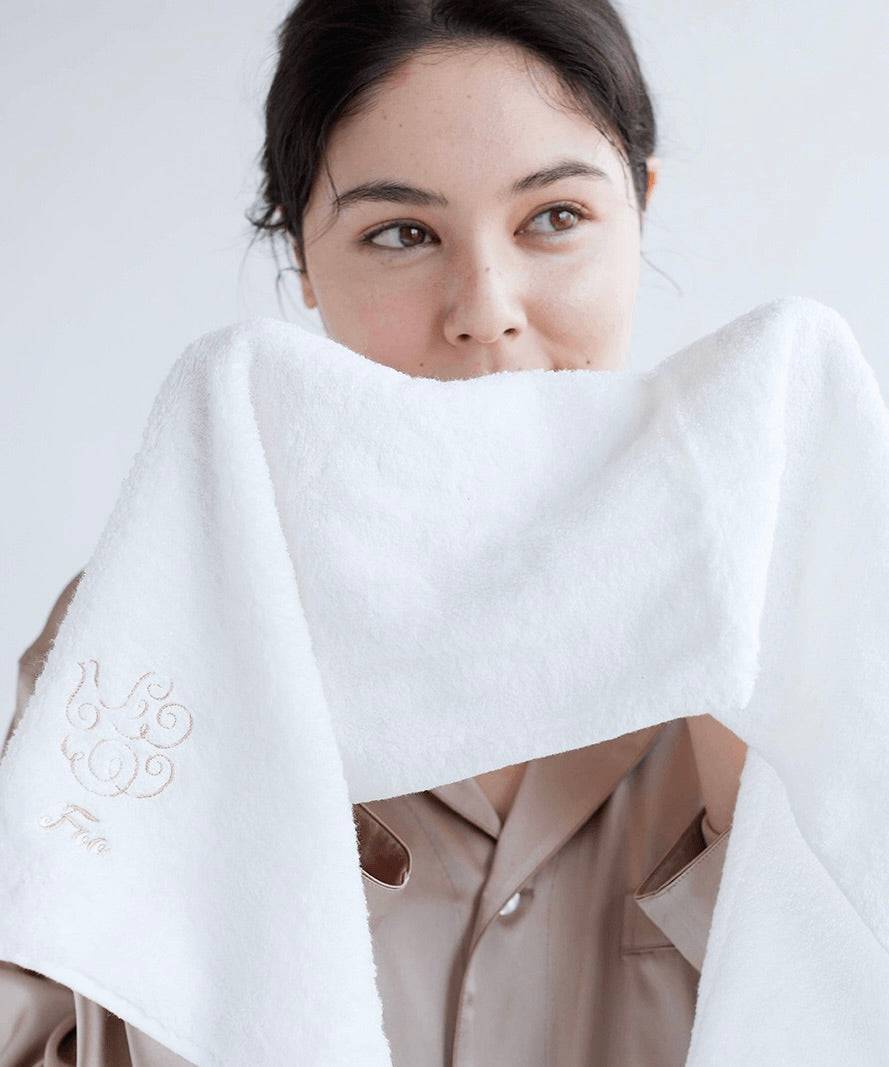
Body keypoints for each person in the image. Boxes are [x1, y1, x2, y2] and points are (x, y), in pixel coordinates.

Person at [0, 1, 750, 1064]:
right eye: (402, 233)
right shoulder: (148, 625)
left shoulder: (799, 602)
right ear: (302, 258)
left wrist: (752, 756)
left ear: (639, 212)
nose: (484, 308)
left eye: (554, 217)